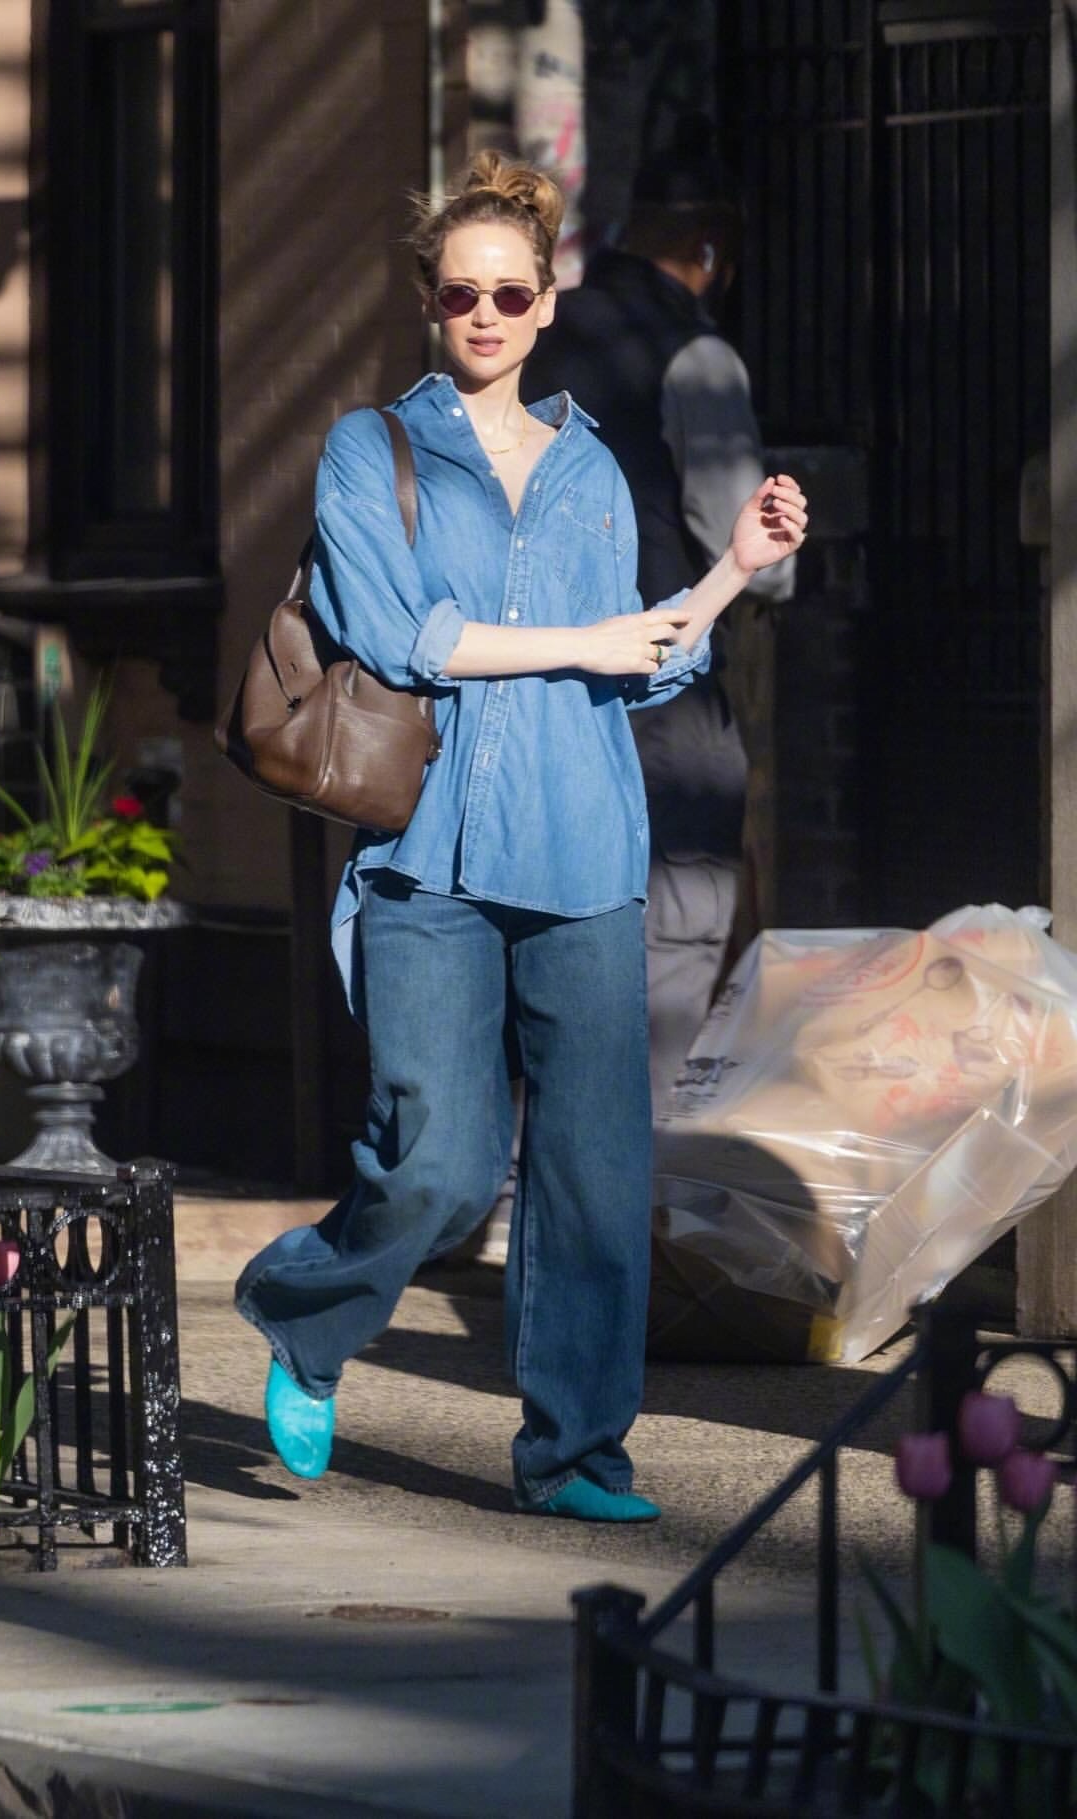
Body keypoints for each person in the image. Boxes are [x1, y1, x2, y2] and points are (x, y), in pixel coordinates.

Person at [234, 153, 806, 1522]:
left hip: (583, 846)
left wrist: (729, 570)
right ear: (429, 303)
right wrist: (582, 640)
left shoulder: (592, 466)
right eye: (460, 293)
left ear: (547, 303)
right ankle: (305, 1315)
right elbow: (403, 636)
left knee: (596, 1179)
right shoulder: (370, 449)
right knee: (437, 1161)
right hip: (428, 852)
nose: (485, 314)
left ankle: (575, 1453)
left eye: (509, 292)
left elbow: (637, 662)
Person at [525, 131, 796, 1109]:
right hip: (657, 692)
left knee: (543, 940)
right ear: (711, 252)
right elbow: (752, 552)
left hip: (528, 683)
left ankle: (521, 1172)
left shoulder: (535, 332)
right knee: (673, 940)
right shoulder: (696, 353)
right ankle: (629, 1172)